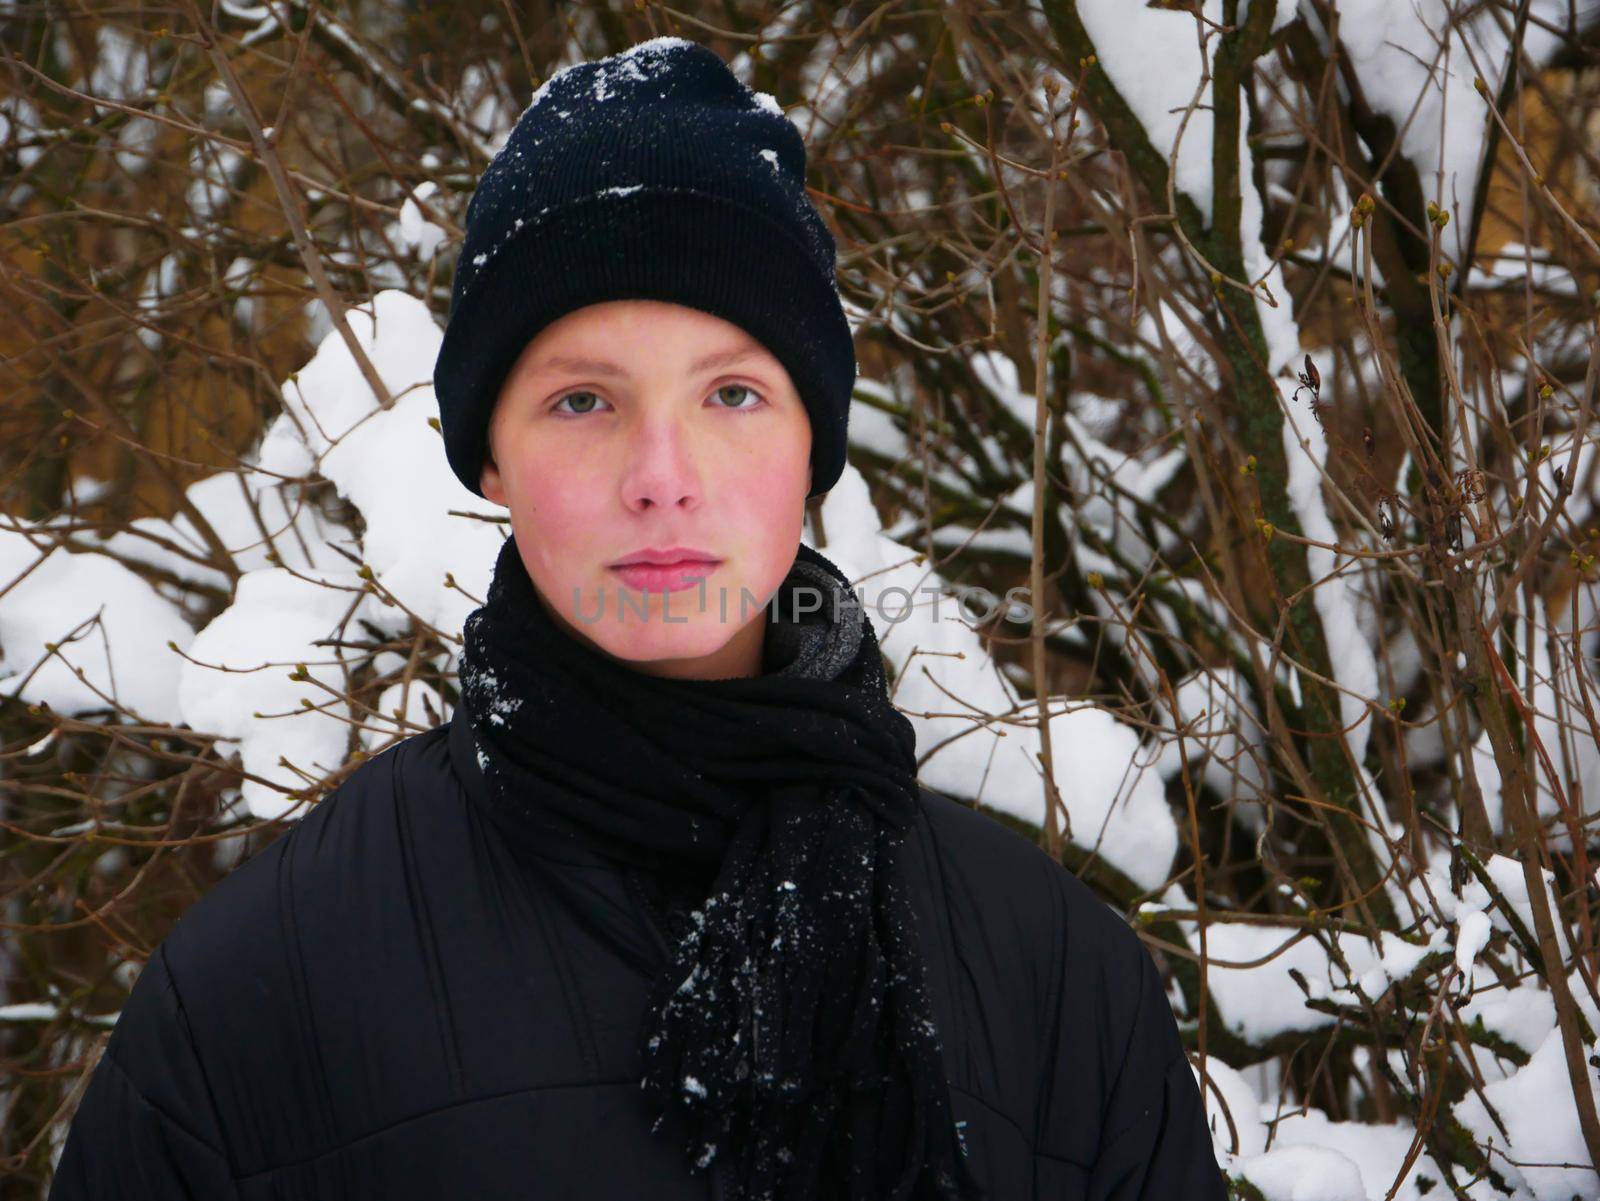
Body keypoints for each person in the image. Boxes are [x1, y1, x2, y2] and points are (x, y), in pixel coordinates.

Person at [47, 36, 1227, 1201]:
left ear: (811, 447)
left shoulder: (1059, 982)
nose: (662, 473)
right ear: (490, 461)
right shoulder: (269, 986)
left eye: (730, 393)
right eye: (581, 399)